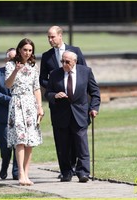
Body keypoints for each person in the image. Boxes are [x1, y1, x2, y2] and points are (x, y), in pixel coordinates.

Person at [45, 50, 100, 182]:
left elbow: (95, 92)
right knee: (63, 146)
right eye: (62, 61)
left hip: (80, 114)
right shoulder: (54, 74)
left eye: (67, 62)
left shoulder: (85, 72)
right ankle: (66, 172)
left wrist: (94, 108)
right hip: (61, 115)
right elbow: (47, 93)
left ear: (74, 61)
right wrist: (55, 96)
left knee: (81, 145)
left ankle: (83, 173)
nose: (64, 64)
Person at [40, 25, 87, 177]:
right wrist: (55, 88)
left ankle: (76, 168)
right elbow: (42, 79)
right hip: (59, 104)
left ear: (60, 36)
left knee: (78, 139)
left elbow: (84, 74)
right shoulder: (46, 56)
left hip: (76, 105)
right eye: (48, 37)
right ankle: (66, 170)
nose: (50, 39)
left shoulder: (76, 51)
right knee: (62, 140)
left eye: (52, 36)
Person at [5, 38, 44, 186]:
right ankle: (20, 173)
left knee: (30, 141)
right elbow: (8, 85)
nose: (27, 53)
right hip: (17, 103)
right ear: (19, 50)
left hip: (30, 105)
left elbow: (36, 88)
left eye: (30, 50)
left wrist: (39, 106)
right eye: (25, 50)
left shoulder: (34, 66)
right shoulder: (10, 65)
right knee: (20, 140)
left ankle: (27, 174)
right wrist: (16, 70)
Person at [0, 48, 18, 180]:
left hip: (19, 114)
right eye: (11, 58)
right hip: (3, 115)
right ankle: (5, 163)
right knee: (6, 145)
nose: (12, 60)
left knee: (18, 144)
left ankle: (16, 171)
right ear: (6, 59)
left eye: (15, 58)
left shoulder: (22, 73)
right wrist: (11, 100)